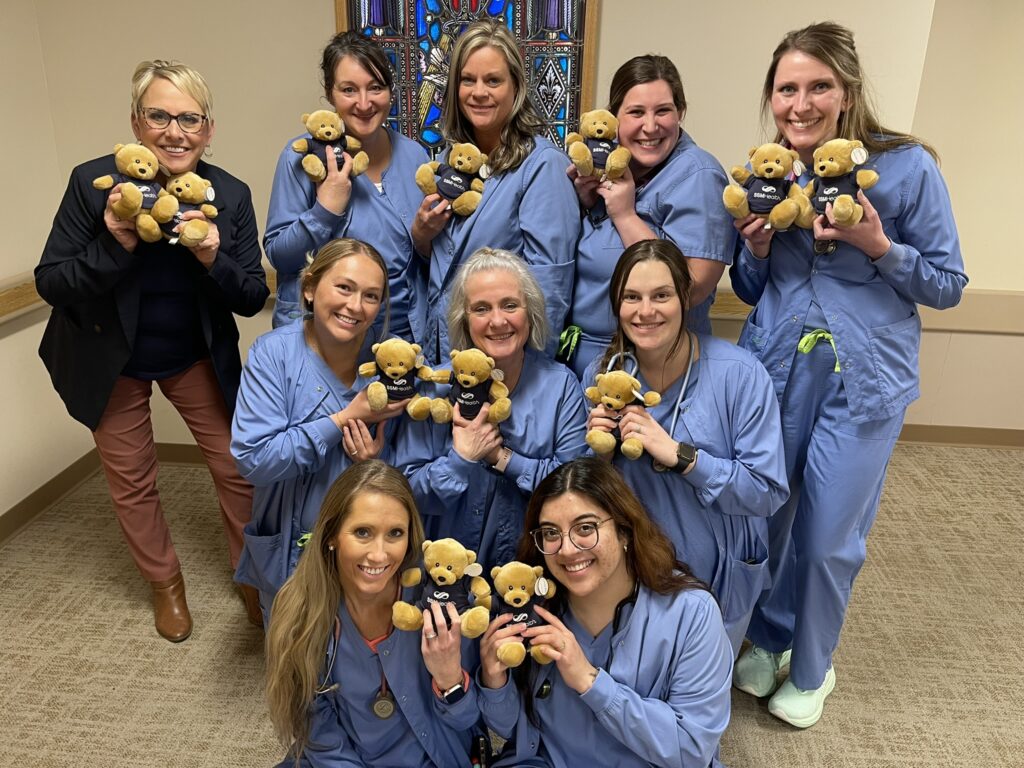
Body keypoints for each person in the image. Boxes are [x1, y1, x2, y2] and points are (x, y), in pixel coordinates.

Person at [729, 22, 967, 728]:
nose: (800, 104)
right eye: (786, 89)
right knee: (767, 518)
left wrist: (880, 246)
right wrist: (757, 246)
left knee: (830, 535)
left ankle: (812, 665)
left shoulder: (906, 168)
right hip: (775, 370)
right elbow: (748, 286)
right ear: (772, 98)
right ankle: (768, 638)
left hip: (863, 380)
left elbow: (949, 283)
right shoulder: (764, 172)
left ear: (848, 91)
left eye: (817, 87)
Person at [35, 60, 267, 641]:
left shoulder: (228, 194)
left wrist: (215, 256)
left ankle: (253, 579)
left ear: (208, 129)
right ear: (136, 124)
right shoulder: (94, 186)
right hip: (108, 357)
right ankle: (166, 584)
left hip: (193, 355)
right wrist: (114, 245)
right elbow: (51, 282)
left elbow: (251, 297)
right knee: (133, 479)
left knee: (239, 470)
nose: (174, 131)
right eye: (159, 116)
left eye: (189, 118)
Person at [582, 240, 789, 654]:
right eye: (631, 298)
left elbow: (767, 491)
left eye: (661, 295)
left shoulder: (740, 375)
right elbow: (587, 498)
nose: (645, 311)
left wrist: (681, 456)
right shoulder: (603, 375)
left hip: (714, 571)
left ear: (685, 299)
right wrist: (599, 455)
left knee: (693, 708)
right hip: (632, 566)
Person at [477, 457, 733, 768]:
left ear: (624, 531)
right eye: (551, 533)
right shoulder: (532, 608)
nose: (567, 549)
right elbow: (513, 731)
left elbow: (691, 749)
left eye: (585, 528)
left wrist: (591, 682)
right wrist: (494, 682)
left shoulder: (693, 613)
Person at [232, 239, 408, 622]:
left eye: (371, 296)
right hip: (289, 547)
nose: (355, 306)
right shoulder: (273, 354)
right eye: (344, 287)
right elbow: (254, 459)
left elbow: (413, 472)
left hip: (367, 552)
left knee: (358, 659)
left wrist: (373, 469)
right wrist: (343, 420)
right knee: (293, 656)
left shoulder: (393, 366)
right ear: (309, 288)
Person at [265, 460, 482, 767]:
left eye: (395, 533)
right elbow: (320, 736)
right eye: (363, 532)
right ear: (331, 535)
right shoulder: (300, 610)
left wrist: (450, 678)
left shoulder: (443, 603)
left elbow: (468, 721)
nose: (379, 554)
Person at [395, 247, 587, 569]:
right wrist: (460, 461)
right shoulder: (435, 389)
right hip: (441, 578)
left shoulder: (561, 387)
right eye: (481, 308)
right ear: (464, 320)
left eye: (510, 305)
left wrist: (501, 459)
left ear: (531, 313)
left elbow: (576, 492)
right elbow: (405, 495)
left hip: (527, 576)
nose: (498, 321)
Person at [411, 18, 579, 363]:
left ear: (515, 87)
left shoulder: (542, 166)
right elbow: (448, 267)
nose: (479, 92)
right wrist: (422, 238)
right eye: (467, 80)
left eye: (493, 80)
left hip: (507, 364)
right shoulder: (449, 161)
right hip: (444, 352)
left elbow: (551, 288)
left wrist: (529, 376)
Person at [562, 55, 736, 378]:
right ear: (614, 117)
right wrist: (582, 203)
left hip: (657, 366)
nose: (651, 126)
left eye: (663, 111)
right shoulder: (604, 164)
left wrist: (625, 215)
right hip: (578, 363)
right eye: (636, 112)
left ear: (680, 112)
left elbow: (692, 287)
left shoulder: (699, 175)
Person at [265, 31, 428, 341]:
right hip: (328, 338)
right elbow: (280, 256)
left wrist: (427, 235)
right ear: (330, 94)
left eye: (375, 88)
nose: (364, 103)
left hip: (403, 337)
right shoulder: (301, 157)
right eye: (349, 90)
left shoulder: (414, 155)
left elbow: (421, 257)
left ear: (390, 92)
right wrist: (325, 210)